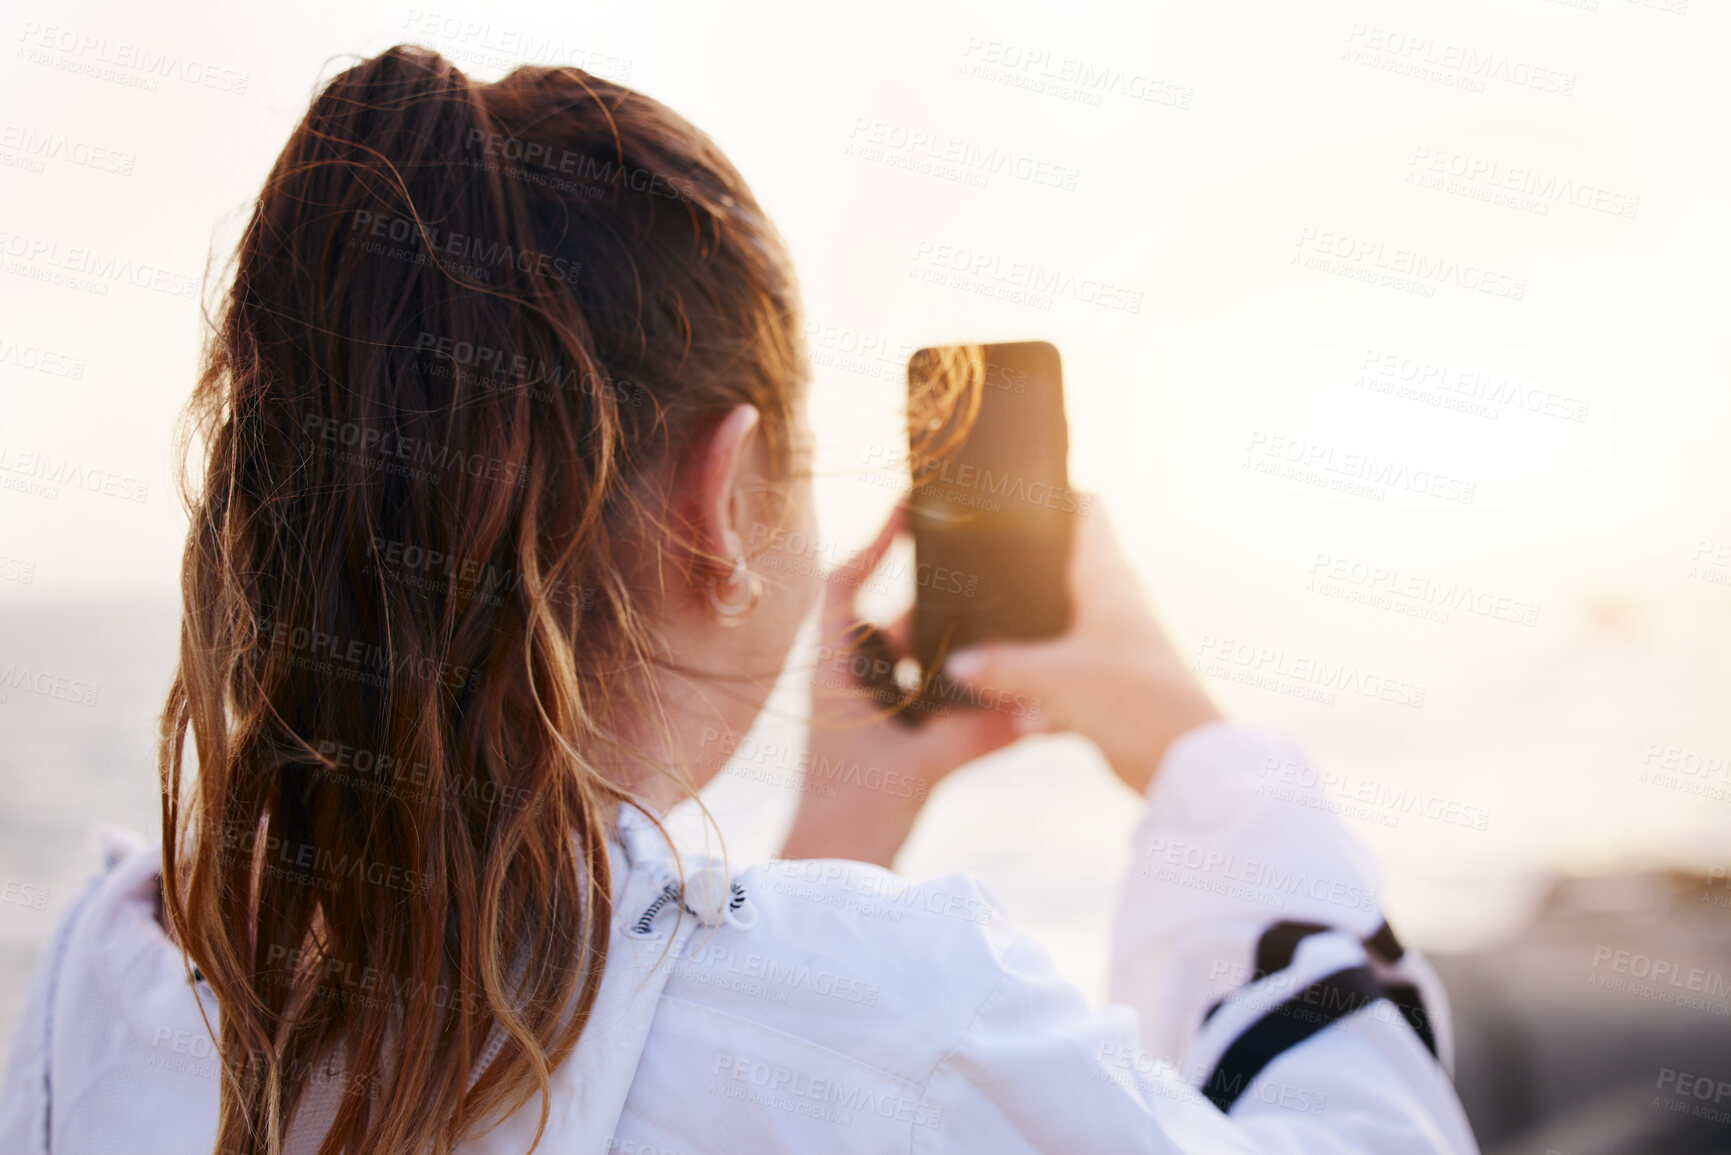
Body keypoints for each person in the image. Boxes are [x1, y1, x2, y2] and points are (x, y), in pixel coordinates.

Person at [0, 45, 1478, 1155]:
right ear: (732, 496)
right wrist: (1188, 741)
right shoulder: (911, 1019)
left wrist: (844, 823)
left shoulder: (103, 986)